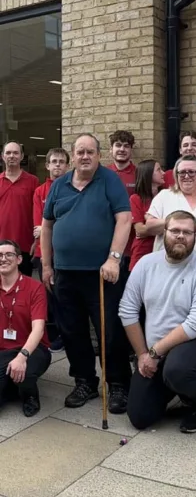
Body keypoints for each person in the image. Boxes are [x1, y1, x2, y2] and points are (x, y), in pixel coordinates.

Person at [41, 134, 132, 412]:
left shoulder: (109, 181)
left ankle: (117, 385)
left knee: (110, 330)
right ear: (73, 155)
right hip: (65, 274)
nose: (85, 156)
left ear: (98, 155)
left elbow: (124, 218)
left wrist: (114, 259)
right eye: (80, 151)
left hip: (102, 273)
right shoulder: (59, 185)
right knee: (72, 331)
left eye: (90, 152)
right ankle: (84, 382)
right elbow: (47, 226)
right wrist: (46, 266)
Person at [118, 211, 196, 432]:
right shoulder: (146, 264)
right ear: (164, 233)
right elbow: (127, 310)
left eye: (187, 232)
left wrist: (154, 353)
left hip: (191, 346)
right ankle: (172, 388)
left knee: (177, 370)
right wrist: (143, 354)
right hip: (152, 349)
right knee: (139, 417)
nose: (181, 236)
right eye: (175, 231)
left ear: (195, 236)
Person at [0, 240, 50, 417]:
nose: (3, 259)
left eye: (9, 255)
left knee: (24, 371)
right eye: (0, 255)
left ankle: (30, 395)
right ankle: (12, 387)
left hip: (33, 349)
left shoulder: (34, 287)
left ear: (19, 259)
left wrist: (22, 356)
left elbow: (39, 328)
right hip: (3, 351)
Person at [147, 156, 196, 265]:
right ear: (176, 175)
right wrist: (175, 222)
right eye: (182, 172)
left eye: (191, 172)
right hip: (167, 266)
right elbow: (150, 226)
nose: (186, 176)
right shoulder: (164, 196)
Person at [32, 148, 69, 352]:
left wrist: (49, 227)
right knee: (50, 298)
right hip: (44, 253)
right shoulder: (39, 192)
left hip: (66, 254)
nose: (57, 165)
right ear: (47, 165)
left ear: (67, 165)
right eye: (53, 161)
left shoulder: (74, 188)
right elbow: (38, 227)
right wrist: (51, 227)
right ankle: (54, 335)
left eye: (61, 162)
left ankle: (66, 335)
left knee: (64, 297)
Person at [0, 142, 39, 278]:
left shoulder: (32, 181)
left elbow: (37, 212)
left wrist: (36, 241)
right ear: (3, 156)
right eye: (8, 153)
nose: (12, 156)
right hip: (1, 245)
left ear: (22, 156)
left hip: (24, 245)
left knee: (24, 286)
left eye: (16, 153)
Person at [109, 131, 138, 275]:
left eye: (126, 146)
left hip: (132, 243)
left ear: (131, 150)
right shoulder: (102, 174)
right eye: (118, 145)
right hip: (107, 241)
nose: (122, 149)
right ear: (111, 149)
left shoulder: (140, 174)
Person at [129, 159, 164, 272]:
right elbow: (140, 230)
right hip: (142, 251)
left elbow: (145, 230)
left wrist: (151, 227)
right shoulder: (136, 199)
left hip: (161, 252)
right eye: (159, 170)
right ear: (148, 174)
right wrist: (166, 227)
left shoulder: (166, 197)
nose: (163, 173)